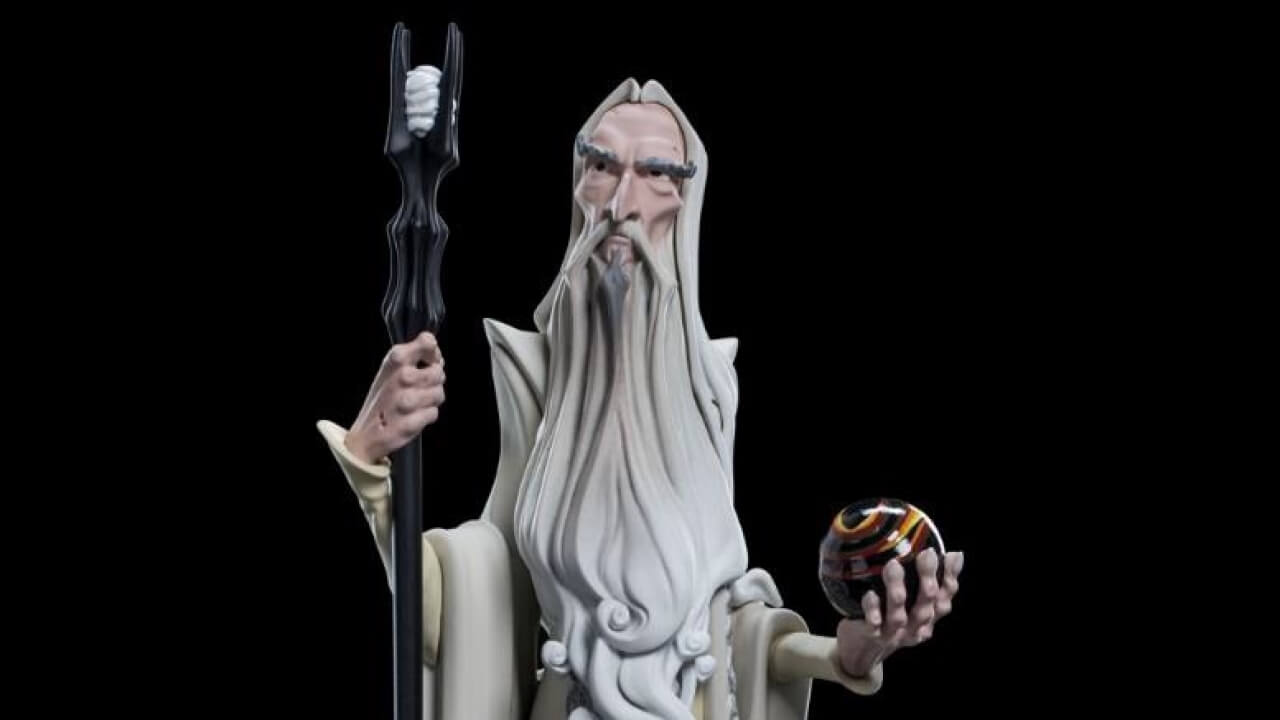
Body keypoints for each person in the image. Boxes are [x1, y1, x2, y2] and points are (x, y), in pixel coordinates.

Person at [317, 73, 963, 720]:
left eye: (655, 173)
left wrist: (847, 654)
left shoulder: (709, 386)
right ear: (579, 184)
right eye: (601, 167)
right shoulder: (537, 378)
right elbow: (471, 604)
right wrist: (373, 470)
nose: (620, 203)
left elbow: (728, 628)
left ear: (686, 198)